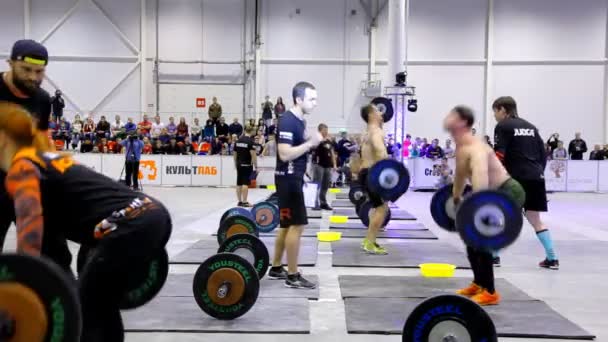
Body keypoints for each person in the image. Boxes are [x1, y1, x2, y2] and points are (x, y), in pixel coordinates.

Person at [0, 102, 172, 341]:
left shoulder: (22, 167)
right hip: (151, 214)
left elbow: (30, 222)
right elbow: (53, 252)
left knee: (87, 300)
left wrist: (26, 279)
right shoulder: (48, 159)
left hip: (131, 222)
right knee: (99, 299)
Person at [445, 105, 526, 306]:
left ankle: (490, 291)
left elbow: (480, 174)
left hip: (507, 192)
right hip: (490, 195)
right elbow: (461, 176)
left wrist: (477, 204)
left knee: (481, 239)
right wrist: (456, 198)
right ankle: (478, 283)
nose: (447, 119)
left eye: (452, 116)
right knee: (471, 238)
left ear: (463, 123)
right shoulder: (461, 147)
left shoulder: (475, 146)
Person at [493, 96, 559, 269]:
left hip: (515, 179)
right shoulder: (531, 127)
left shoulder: (503, 126)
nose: (495, 116)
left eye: (495, 111)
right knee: (535, 219)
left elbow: (499, 155)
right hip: (536, 177)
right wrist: (538, 174)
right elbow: (543, 155)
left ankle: (493, 257)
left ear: (502, 109)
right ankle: (552, 258)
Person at [0, 39, 53, 251]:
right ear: (10, 63)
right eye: (26, 70)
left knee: (51, 249)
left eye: (39, 72)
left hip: (25, 183)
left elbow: (41, 140)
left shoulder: (42, 99)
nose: (33, 77)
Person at [268, 82, 322, 289]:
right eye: (311, 99)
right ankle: (292, 275)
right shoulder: (288, 121)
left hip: (291, 178)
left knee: (286, 225)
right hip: (288, 181)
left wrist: (303, 172)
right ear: (298, 100)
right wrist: (310, 144)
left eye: (315, 99)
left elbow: (295, 153)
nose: (315, 103)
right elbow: (284, 153)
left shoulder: (299, 121)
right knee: (297, 226)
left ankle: (275, 267)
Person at [358, 104, 390, 255]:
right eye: (377, 110)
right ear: (371, 115)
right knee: (382, 208)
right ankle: (370, 243)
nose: (381, 112)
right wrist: (388, 167)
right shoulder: (376, 131)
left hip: (365, 172)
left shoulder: (366, 133)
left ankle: (369, 240)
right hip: (373, 172)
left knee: (378, 207)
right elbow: (380, 151)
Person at [312, 123, 337, 211]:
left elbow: (332, 153)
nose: (326, 132)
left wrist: (334, 164)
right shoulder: (316, 140)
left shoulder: (328, 141)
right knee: (317, 185)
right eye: (324, 130)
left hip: (327, 166)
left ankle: (323, 203)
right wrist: (320, 140)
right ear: (320, 131)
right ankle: (314, 203)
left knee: (325, 185)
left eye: (327, 130)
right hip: (319, 165)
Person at [234, 126, 257, 207]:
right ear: (251, 131)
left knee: (239, 183)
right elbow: (253, 155)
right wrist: (256, 166)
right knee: (245, 183)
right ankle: (244, 202)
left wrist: (235, 164)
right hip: (247, 164)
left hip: (239, 164)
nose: (255, 132)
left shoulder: (238, 140)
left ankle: (239, 201)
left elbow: (235, 154)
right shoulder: (250, 142)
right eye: (254, 130)